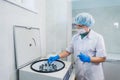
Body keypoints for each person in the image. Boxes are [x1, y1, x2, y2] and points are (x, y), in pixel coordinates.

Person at [48, 12, 106, 80]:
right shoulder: (75, 37)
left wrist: (88, 59)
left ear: (87, 25)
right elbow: (68, 51)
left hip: (93, 75)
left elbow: (102, 58)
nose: (77, 27)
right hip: (79, 74)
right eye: (77, 25)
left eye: (80, 26)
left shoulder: (98, 37)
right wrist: (57, 56)